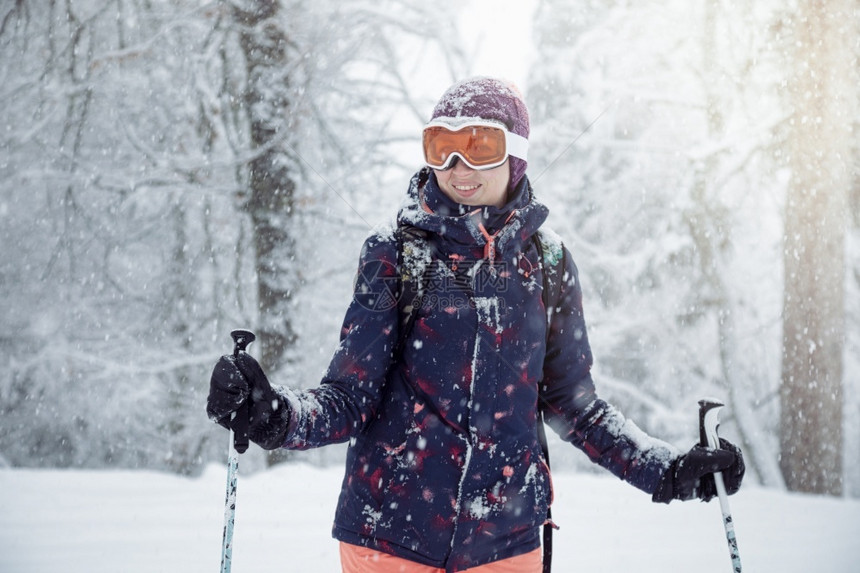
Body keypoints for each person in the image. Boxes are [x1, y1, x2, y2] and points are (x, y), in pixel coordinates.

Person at [207, 77, 745, 573]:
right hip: (390, 537)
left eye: (480, 145)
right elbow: (350, 397)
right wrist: (274, 415)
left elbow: (574, 405)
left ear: (516, 156)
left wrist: (667, 471)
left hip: (505, 542)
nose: (459, 165)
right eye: (443, 146)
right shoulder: (393, 253)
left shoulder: (549, 263)